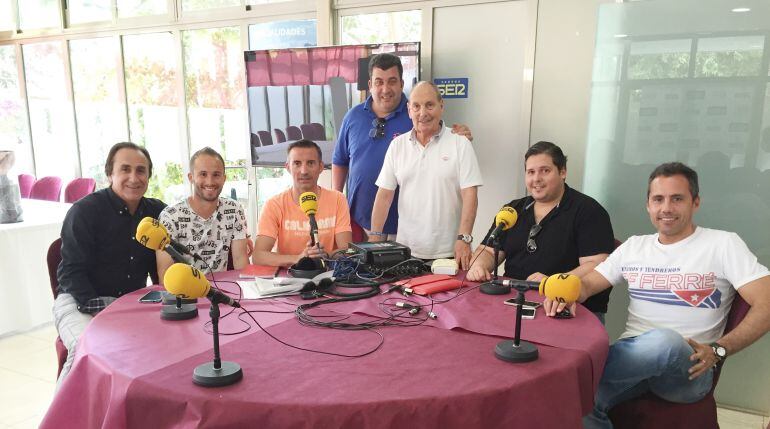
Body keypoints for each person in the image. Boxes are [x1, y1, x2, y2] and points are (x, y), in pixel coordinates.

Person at [546, 162, 770, 429]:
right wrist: (565, 293)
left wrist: (720, 349)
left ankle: (577, 371)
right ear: (648, 205)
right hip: (631, 366)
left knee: (663, 341)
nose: (666, 208)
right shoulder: (634, 247)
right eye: (658, 199)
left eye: (677, 199)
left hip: (688, 370)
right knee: (578, 400)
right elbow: (587, 286)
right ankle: (577, 377)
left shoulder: (722, 244)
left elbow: (766, 303)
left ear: (695, 203)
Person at [54, 142, 166, 387]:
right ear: (109, 174)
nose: (133, 178)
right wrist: (101, 311)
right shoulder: (84, 211)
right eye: (125, 169)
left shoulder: (157, 212)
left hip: (128, 303)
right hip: (78, 301)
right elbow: (71, 272)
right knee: (88, 348)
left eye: (141, 170)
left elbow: (170, 259)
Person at [466, 141, 615, 322]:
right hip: (513, 303)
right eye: (531, 172)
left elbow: (598, 264)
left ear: (563, 172)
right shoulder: (513, 210)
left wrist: (553, 283)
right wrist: (480, 265)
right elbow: (488, 251)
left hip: (566, 308)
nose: (536, 179)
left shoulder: (588, 211)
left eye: (545, 170)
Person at [332, 53, 472, 241]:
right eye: (379, 82)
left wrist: (460, 135)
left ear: (401, 83)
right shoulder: (352, 117)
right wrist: (336, 203)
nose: (385, 89)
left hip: (405, 229)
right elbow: (340, 160)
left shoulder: (417, 115)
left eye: (392, 81)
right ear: (370, 84)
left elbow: (441, 137)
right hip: (358, 222)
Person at [369, 82, 482, 268]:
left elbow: (470, 196)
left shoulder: (460, 144)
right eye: (416, 106)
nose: (423, 113)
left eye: (429, 105)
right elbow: (384, 197)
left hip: (450, 252)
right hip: (405, 252)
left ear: (441, 106)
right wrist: (373, 240)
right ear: (409, 110)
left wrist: (465, 238)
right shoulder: (397, 146)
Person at [253, 139, 352, 267]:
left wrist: (326, 255)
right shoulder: (274, 204)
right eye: (297, 164)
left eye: (310, 163)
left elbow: (348, 251)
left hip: (326, 274)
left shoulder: (338, 199)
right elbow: (258, 256)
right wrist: (298, 258)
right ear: (288, 167)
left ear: (321, 167)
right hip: (289, 278)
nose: (304, 171)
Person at [157, 147, 249, 279]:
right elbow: (165, 275)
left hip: (224, 291)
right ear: (191, 177)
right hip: (186, 294)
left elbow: (241, 260)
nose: (210, 181)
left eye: (216, 174)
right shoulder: (170, 216)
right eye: (203, 174)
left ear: (224, 178)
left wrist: (248, 294)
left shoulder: (234, 209)